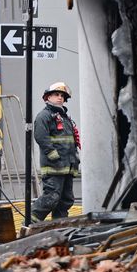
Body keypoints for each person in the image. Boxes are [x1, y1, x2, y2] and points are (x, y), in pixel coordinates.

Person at [30, 81, 80, 224]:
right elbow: (41, 137)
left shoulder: (65, 118)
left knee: (66, 200)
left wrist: (74, 159)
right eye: (56, 95)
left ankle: (59, 227)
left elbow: (69, 142)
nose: (60, 98)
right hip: (54, 166)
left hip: (67, 167)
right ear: (48, 98)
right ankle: (29, 224)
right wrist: (53, 155)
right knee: (51, 198)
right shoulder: (44, 116)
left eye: (62, 96)